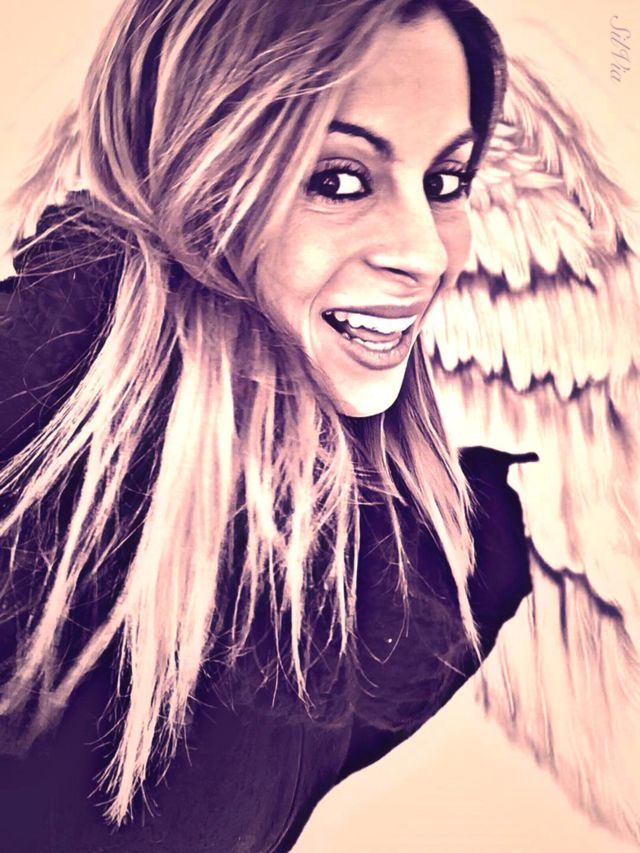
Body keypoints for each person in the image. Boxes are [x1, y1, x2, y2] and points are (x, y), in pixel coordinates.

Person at [0, 0, 534, 849]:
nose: (426, 254)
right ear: (191, 174)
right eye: (339, 179)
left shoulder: (426, 563)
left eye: (445, 182)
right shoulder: (30, 428)